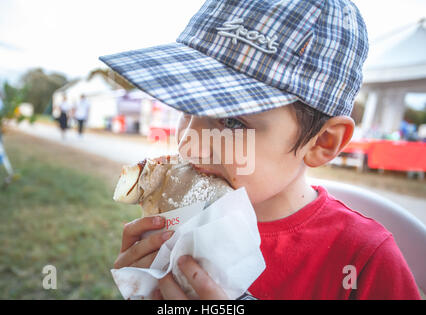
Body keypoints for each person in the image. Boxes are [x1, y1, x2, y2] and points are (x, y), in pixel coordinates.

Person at [103, 0, 421, 299]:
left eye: (233, 122)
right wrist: (142, 284)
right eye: (186, 109)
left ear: (322, 142)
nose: (190, 144)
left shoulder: (364, 261)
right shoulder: (174, 222)